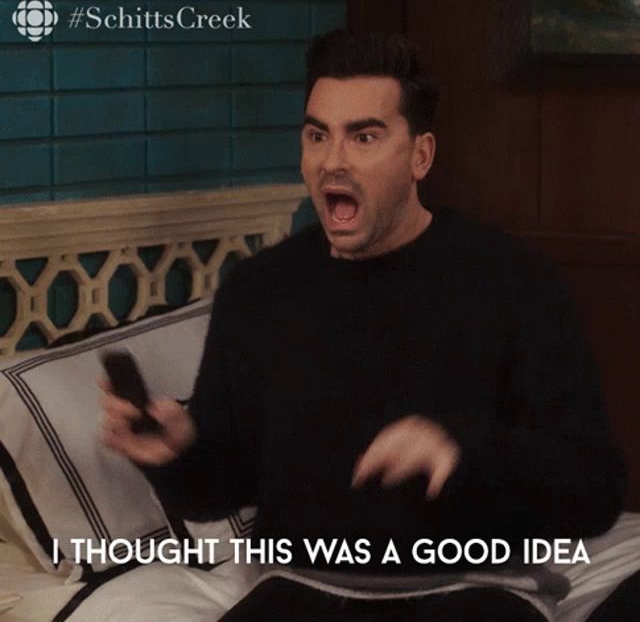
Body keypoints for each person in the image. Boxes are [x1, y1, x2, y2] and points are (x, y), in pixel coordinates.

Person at [101, 30, 626, 620]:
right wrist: (174, 453)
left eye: (364, 136)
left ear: (420, 156)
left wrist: (464, 451)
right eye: (317, 135)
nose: (333, 160)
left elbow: (596, 492)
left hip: (473, 589)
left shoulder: (516, 282)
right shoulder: (257, 291)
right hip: (300, 587)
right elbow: (220, 490)